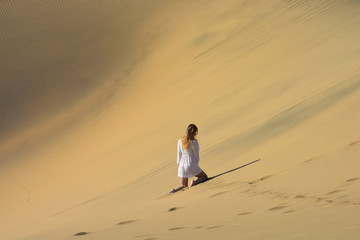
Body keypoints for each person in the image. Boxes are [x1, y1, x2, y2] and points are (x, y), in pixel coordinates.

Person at [169, 124, 208, 193]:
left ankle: (174, 191)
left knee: (183, 186)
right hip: (191, 163)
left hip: (181, 165)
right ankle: (194, 183)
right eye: (196, 132)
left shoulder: (180, 141)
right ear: (194, 132)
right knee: (204, 176)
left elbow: (179, 156)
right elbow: (196, 157)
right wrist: (195, 167)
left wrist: (180, 167)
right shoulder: (195, 142)